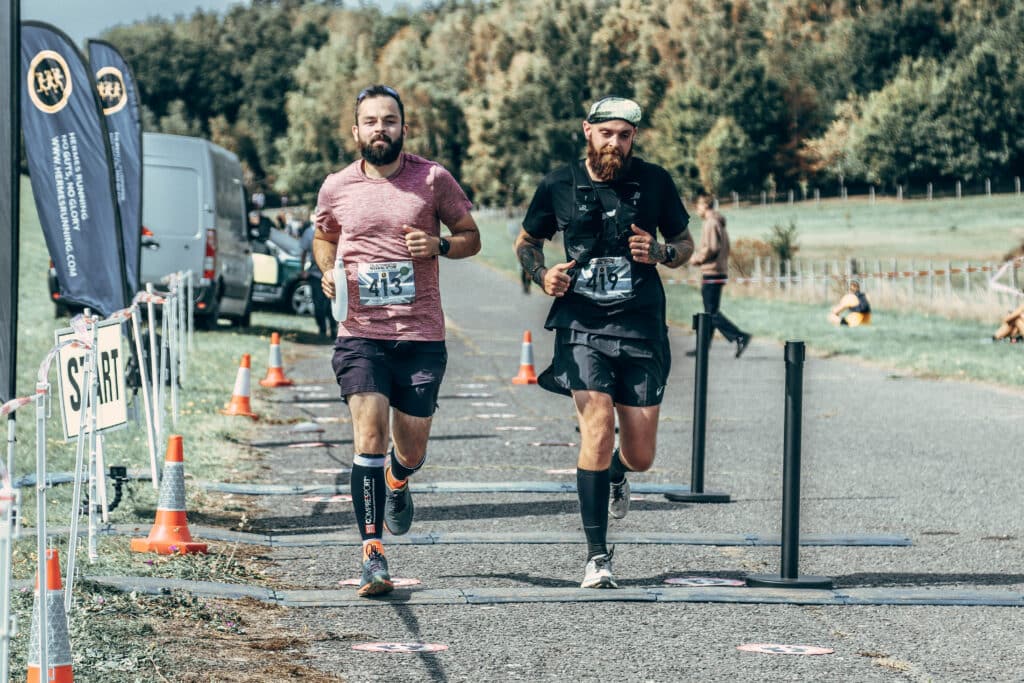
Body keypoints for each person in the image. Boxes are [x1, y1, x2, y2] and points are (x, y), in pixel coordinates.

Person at [514, 96, 694, 588]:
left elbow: (684, 244)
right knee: (596, 425)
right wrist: (541, 274)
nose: (616, 142)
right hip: (581, 324)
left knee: (640, 455)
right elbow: (527, 243)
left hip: (641, 325)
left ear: (635, 138)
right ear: (587, 132)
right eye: (607, 133)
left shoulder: (655, 181)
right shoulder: (557, 183)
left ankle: (618, 472)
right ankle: (597, 556)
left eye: (625, 135)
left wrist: (660, 252)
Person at [312, 85, 481, 597]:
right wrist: (328, 273)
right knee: (367, 439)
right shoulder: (336, 186)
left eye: (389, 120)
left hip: (420, 335)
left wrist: (440, 244)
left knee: (410, 446)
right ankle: (372, 554)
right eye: (370, 121)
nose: (379, 129)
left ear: (403, 128)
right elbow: (324, 236)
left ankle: (399, 481)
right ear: (356, 130)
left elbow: (472, 236)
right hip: (360, 334)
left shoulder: (431, 178)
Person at [688, 192, 751, 357]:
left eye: (698, 206)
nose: (696, 209)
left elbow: (711, 248)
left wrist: (697, 259)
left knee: (711, 314)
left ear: (705, 205)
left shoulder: (710, 223)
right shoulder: (719, 223)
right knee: (710, 313)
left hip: (712, 272)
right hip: (719, 271)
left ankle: (740, 336)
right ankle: (702, 349)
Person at [299, 215, 335, 340]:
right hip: (315, 274)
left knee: (332, 303)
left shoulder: (334, 230)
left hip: (333, 274)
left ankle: (334, 328)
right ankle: (322, 329)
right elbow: (303, 253)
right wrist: (302, 270)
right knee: (318, 304)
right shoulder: (309, 233)